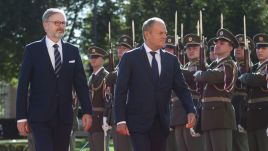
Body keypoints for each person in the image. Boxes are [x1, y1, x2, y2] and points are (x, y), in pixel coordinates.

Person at [114, 17, 196, 151]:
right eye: (160, 33)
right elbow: (120, 91)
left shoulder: (171, 60)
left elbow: (181, 89)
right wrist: (120, 120)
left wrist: (191, 110)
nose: (165, 36)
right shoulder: (130, 58)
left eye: (165, 33)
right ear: (147, 34)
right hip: (137, 122)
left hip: (161, 123)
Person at [16, 8, 92, 151]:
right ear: (46, 25)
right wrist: (21, 117)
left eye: (63, 23)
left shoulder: (73, 51)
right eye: (57, 22)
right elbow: (22, 85)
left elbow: (81, 84)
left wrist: (87, 111)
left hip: (64, 117)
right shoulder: (32, 50)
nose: (61, 26)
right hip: (39, 117)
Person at [194, 28, 238, 151]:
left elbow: (213, 76)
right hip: (208, 116)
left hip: (221, 117)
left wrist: (200, 74)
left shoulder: (229, 64)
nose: (217, 45)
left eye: (222, 43)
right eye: (216, 43)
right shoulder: (214, 65)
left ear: (230, 48)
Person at [104, 35, 134, 151]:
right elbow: (110, 97)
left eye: (124, 48)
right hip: (117, 116)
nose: (120, 50)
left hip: (131, 115)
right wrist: (107, 116)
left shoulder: (134, 66)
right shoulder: (115, 69)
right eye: (119, 47)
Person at [239, 33, 268, 151]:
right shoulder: (254, 67)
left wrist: (245, 77)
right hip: (252, 118)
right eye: (258, 47)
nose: (260, 50)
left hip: (265, 119)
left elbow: (258, 80)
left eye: (264, 48)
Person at [231, 34, 254, 151]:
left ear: (248, 50)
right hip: (230, 113)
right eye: (236, 46)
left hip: (245, 113)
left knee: (243, 146)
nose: (238, 49)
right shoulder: (229, 67)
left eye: (242, 46)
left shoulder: (253, 69)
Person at [87, 46, 109, 151]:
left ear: (102, 59)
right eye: (91, 57)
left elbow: (108, 101)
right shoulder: (92, 77)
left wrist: (105, 120)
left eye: (96, 56)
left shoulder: (106, 76)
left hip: (101, 119)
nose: (93, 59)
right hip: (91, 119)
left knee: (101, 148)